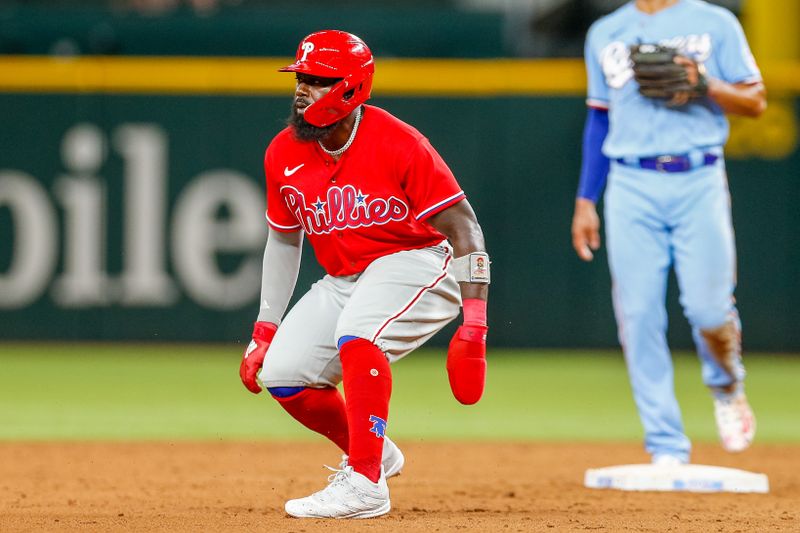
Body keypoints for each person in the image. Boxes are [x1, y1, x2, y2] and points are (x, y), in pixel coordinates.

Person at [239, 30, 491, 519]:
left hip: (419, 259)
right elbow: (284, 238)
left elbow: (465, 227)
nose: (301, 88)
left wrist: (475, 325)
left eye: (316, 80)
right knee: (286, 375)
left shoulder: (398, 143)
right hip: (345, 277)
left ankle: (365, 484)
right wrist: (265, 328)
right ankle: (374, 452)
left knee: (358, 335)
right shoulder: (283, 152)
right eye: (300, 76)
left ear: (351, 88)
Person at [571, 0, 766, 466]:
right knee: (637, 316)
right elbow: (600, 116)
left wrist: (706, 84)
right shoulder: (606, 31)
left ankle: (726, 385)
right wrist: (585, 199)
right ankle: (665, 444)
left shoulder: (715, 22)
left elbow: (756, 101)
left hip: (699, 176)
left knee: (708, 310)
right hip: (629, 182)